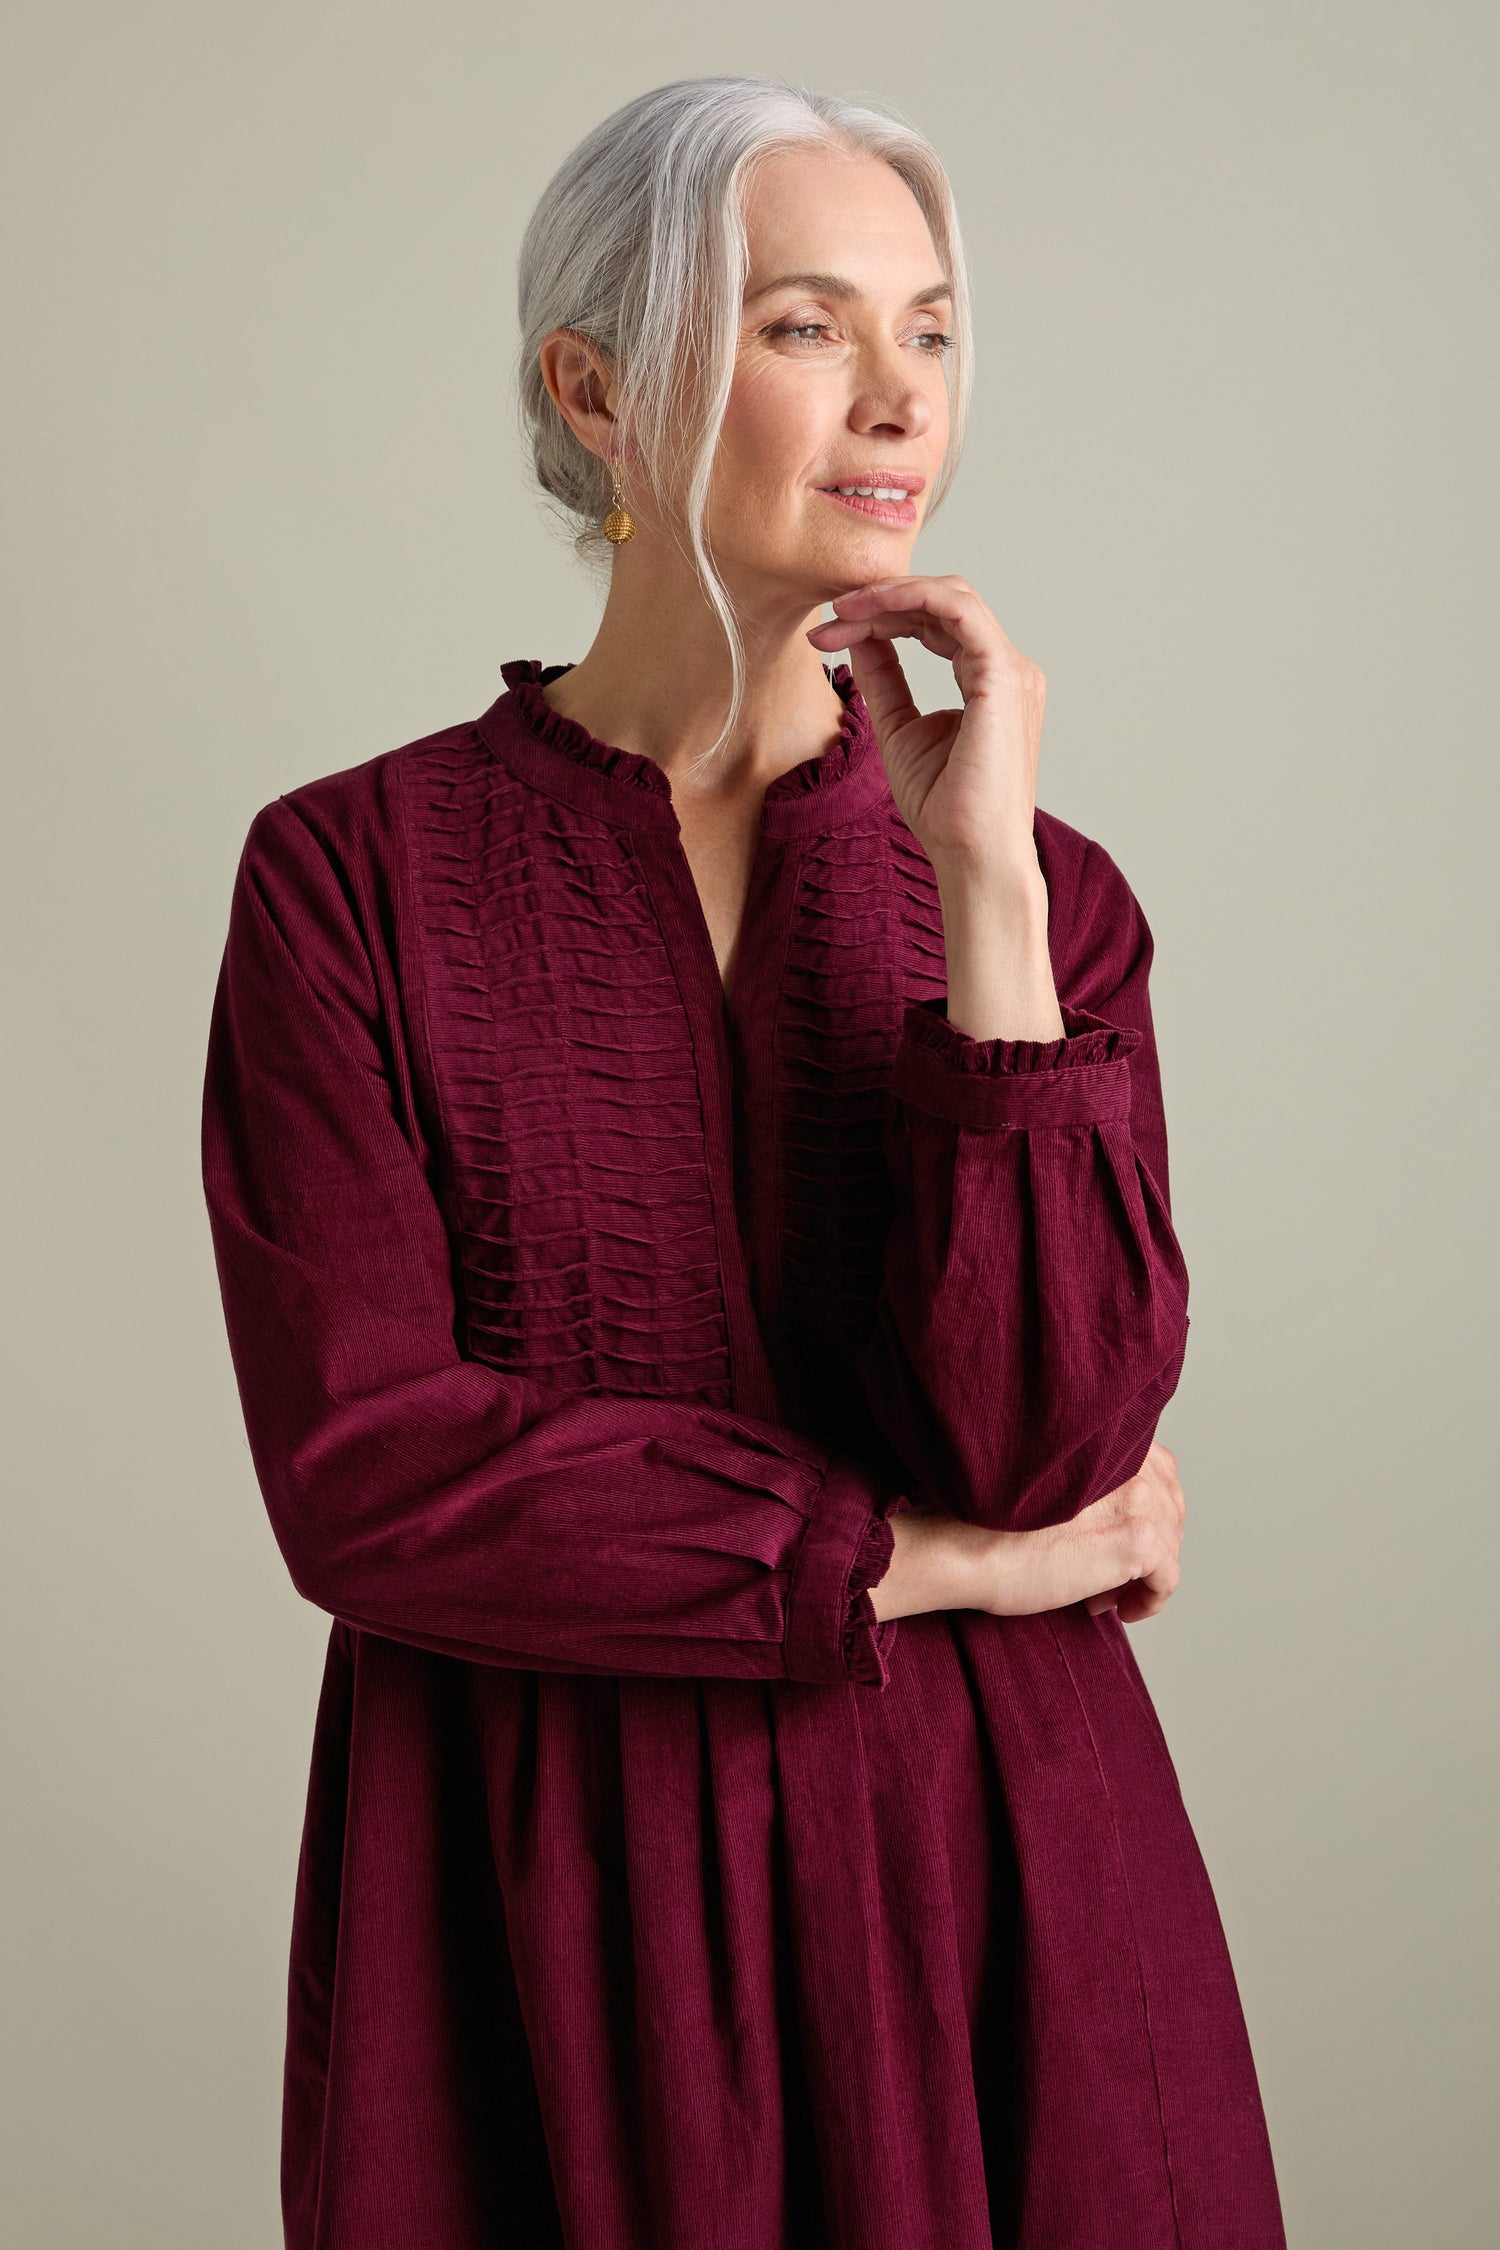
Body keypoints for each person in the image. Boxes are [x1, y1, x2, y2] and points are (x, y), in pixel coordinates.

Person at [202, 72, 1286, 2250]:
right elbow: (372, 1473)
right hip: (538, 1900)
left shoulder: (1050, 897)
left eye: (935, 328)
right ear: (595, 391)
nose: (899, 397)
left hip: (998, 1888)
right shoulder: (351, 877)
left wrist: (977, 891)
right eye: (807, 326)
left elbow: (1053, 1430)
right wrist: (942, 1565)